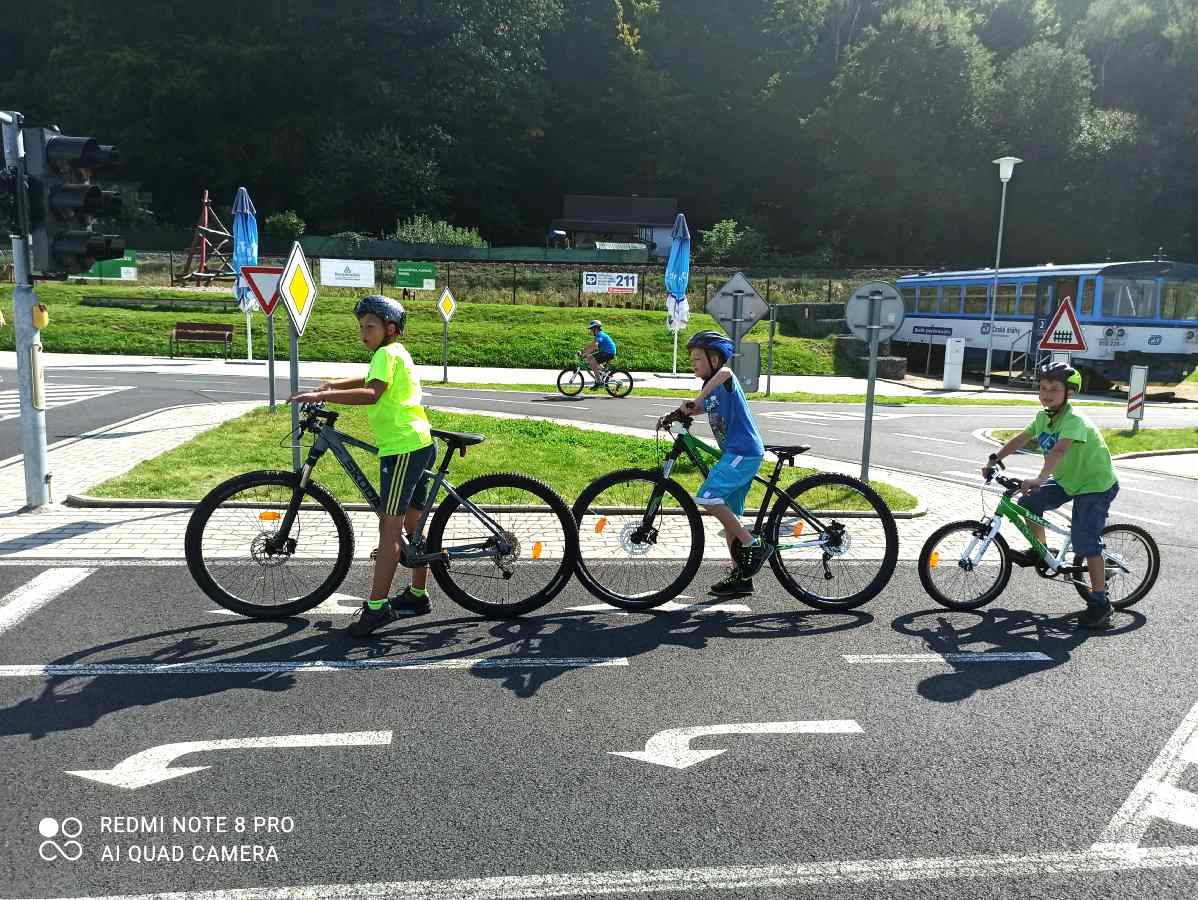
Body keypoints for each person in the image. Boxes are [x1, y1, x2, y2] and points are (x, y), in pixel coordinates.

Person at [289, 294, 435, 638]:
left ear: (390, 328)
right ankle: (417, 595)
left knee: (390, 530)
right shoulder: (393, 353)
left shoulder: (386, 354)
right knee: (413, 525)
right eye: (360, 326)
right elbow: (369, 380)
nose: (363, 332)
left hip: (402, 450)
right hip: (417, 443)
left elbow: (372, 393)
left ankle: (377, 608)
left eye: (370, 326)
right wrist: (332, 385)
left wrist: (322, 396)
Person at [983, 361, 1119, 629]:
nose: (1046, 394)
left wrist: (1039, 479)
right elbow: (1021, 439)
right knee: (1028, 503)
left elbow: (1059, 451)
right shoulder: (1043, 418)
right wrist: (994, 459)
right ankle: (1041, 551)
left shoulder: (1074, 420)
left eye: (1054, 389)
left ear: (1070, 393)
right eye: (1043, 388)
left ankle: (1101, 604)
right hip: (1068, 481)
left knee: (1085, 543)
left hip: (1095, 485)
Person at [663, 330, 772, 597]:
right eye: (691, 359)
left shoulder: (724, 379)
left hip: (743, 452)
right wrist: (674, 415)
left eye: (697, 359)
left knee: (708, 497)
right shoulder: (710, 391)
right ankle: (741, 577)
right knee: (730, 517)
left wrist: (697, 399)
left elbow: (726, 373)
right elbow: (697, 408)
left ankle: (753, 544)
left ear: (714, 360)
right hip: (736, 453)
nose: (693, 364)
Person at [581, 319, 617, 389]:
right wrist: (582, 351)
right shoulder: (598, 336)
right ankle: (604, 372)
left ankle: (599, 381)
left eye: (591, 329)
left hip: (608, 352)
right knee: (590, 359)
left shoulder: (600, 335)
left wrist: (586, 353)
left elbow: (595, 346)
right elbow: (591, 345)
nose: (590, 331)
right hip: (607, 352)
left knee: (591, 359)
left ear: (595, 328)